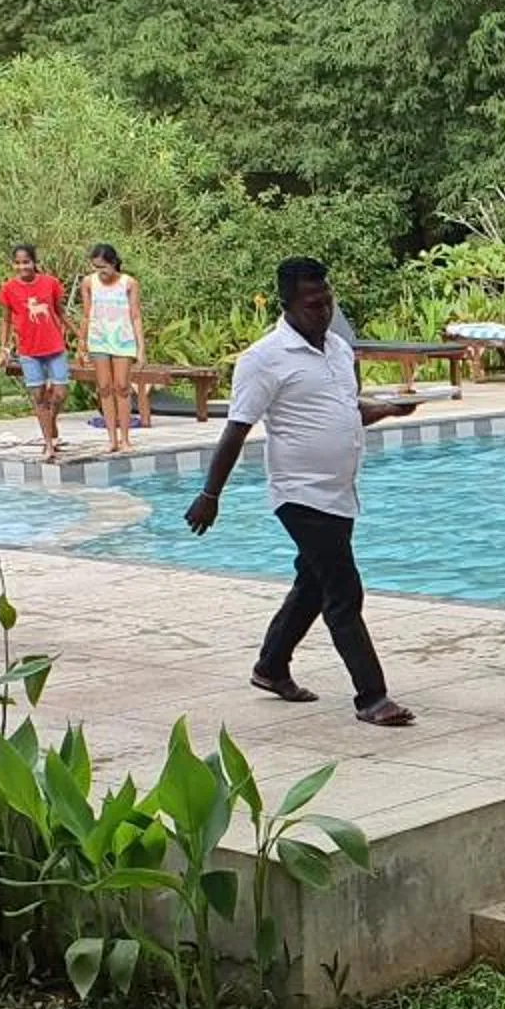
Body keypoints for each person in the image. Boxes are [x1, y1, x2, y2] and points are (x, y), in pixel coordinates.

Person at [186, 258, 418, 727]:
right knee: (343, 590)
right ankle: (371, 697)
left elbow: (346, 411)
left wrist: (390, 409)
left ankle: (270, 667)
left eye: (327, 300)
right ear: (287, 304)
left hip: (340, 491)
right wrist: (211, 494)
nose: (323, 310)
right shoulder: (263, 358)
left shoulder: (337, 349)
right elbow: (236, 430)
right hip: (299, 493)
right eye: (313, 303)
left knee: (313, 584)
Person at [0, 244, 71, 463]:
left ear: (34, 262)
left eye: (26, 262)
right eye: (18, 263)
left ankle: (51, 421)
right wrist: (4, 347)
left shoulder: (50, 283)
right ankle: (48, 443)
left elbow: (59, 311)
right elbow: (7, 320)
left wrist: (79, 335)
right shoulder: (9, 288)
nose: (22, 267)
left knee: (60, 393)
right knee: (38, 397)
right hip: (28, 350)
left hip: (54, 345)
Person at [79, 244, 147, 455]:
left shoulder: (129, 283)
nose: (101, 272)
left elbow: (135, 315)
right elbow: (87, 314)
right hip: (99, 338)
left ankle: (125, 438)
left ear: (113, 263)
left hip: (122, 339)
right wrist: (81, 344)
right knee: (105, 388)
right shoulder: (89, 282)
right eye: (96, 267)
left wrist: (140, 348)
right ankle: (111, 438)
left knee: (122, 387)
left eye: (104, 267)